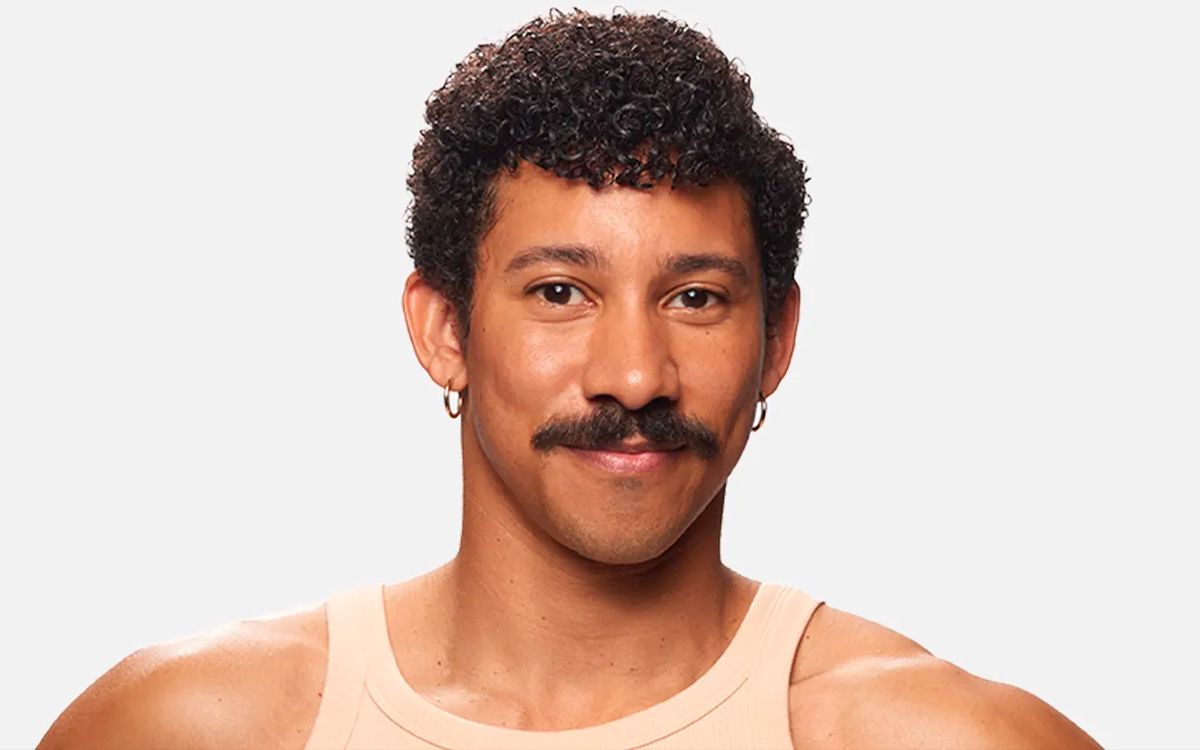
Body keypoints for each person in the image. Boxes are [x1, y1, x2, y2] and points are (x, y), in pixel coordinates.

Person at [38, 9, 1100, 749]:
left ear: (777, 340)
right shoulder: (197, 730)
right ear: (444, 329)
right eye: (560, 292)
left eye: (696, 298)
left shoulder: (938, 737)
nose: (634, 375)